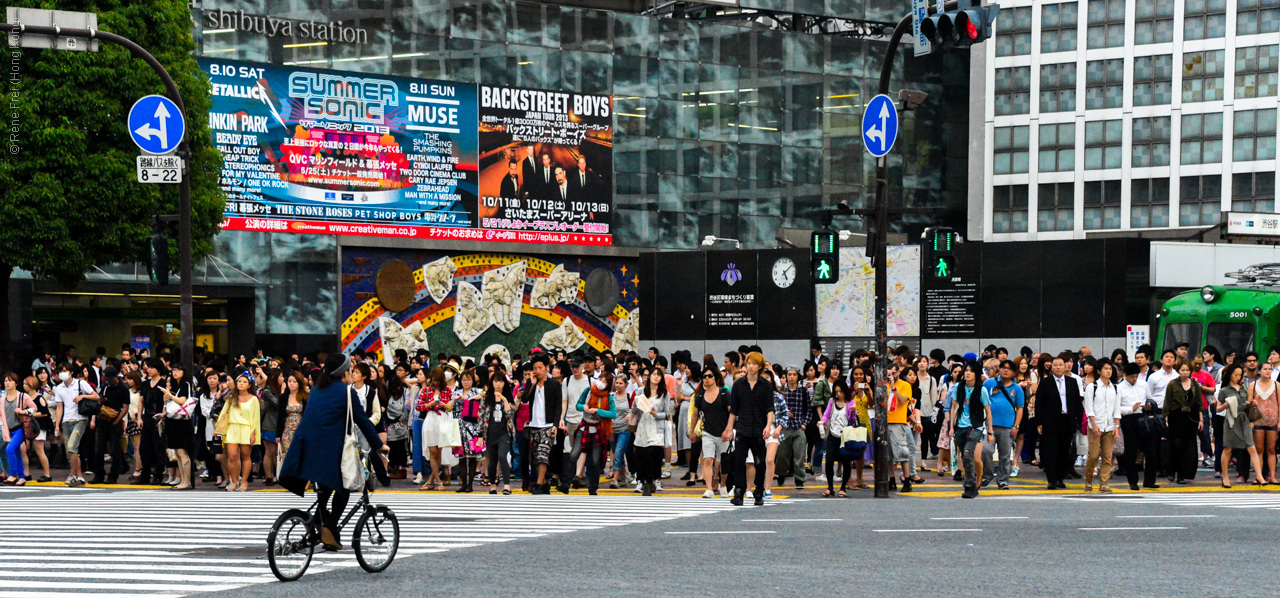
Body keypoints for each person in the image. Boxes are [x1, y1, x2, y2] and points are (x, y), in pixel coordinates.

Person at [278, 353, 388, 551]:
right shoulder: (347, 392)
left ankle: (321, 520)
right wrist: (379, 445)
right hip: (329, 448)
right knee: (344, 488)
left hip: (306, 447)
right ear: (344, 372)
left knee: (325, 485)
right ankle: (329, 526)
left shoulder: (317, 390)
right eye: (350, 369)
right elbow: (362, 421)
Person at [726, 352, 774, 506]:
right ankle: (739, 493)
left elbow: (770, 408)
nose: (751, 366)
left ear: (760, 366)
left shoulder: (766, 385)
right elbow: (734, 409)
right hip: (742, 428)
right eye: (749, 363)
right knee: (739, 461)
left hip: (759, 429)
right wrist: (728, 429)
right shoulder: (739, 385)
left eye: (754, 364)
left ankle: (758, 492)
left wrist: (768, 426)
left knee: (760, 463)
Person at [1033, 353, 1083, 490]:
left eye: (1061, 365)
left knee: (1064, 451)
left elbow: (1077, 403)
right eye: (1055, 365)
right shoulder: (1045, 382)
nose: (1058, 367)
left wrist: (1080, 421)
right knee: (1051, 451)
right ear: (1051, 367)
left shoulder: (1072, 382)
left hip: (1067, 420)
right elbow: (1039, 404)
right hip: (1051, 421)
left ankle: (1061, 478)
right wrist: (1039, 423)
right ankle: (1052, 480)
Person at [1216, 363, 1266, 488]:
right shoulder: (1224, 390)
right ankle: (1225, 477)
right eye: (1235, 375)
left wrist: (1251, 403)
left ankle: (1259, 475)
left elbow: (1244, 403)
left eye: (1239, 375)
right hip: (1232, 421)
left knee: (1251, 447)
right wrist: (1225, 406)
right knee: (1228, 448)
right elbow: (1217, 409)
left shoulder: (1243, 387)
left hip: (1244, 420)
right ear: (1229, 375)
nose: (1238, 377)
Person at [518, 354, 562, 494]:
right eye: (535, 368)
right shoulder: (532, 384)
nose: (537, 370)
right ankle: (544, 483)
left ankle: (538, 483)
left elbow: (558, 406)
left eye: (540, 368)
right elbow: (524, 399)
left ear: (547, 368)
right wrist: (531, 384)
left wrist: (555, 424)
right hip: (534, 425)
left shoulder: (554, 384)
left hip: (548, 425)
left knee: (543, 454)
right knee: (536, 456)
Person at [950, 361, 993, 498]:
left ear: (977, 374)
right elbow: (954, 407)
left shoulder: (982, 390)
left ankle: (970, 485)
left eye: (971, 371)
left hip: (976, 426)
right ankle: (971, 484)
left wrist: (990, 431)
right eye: (966, 370)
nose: (967, 373)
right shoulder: (959, 387)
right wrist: (951, 426)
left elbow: (988, 410)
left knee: (968, 453)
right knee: (964, 456)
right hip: (961, 426)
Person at [981, 360, 1024, 490]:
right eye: (1003, 368)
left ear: (1013, 373)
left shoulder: (1017, 389)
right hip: (990, 425)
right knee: (986, 450)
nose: (1006, 370)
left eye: (1009, 369)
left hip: (1007, 426)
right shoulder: (990, 383)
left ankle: (1003, 480)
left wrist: (1016, 425)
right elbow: (981, 399)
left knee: (1005, 454)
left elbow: (1020, 408)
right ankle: (987, 475)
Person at [690, 366, 731, 498]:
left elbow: (732, 413)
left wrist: (729, 429)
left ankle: (722, 484)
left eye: (710, 376)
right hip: (707, 432)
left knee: (723, 460)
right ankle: (709, 488)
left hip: (723, 432)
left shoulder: (724, 394)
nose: (707, 379)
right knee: (708, 459)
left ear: (716, 378)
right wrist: (692, 431)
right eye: (704, 377)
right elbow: (695, 415)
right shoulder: (700, 396)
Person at [218, 372, 262, 492]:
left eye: (244, 382)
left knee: (245, 456)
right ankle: (234, 481)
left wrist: (254, 433)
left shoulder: (253, 400)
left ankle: (244, 481)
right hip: (233, 427)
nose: (241, 384)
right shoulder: (231, 398)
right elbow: (223, 413)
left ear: (249, 385)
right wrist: (218, 429)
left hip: (247, 428)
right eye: (239, 381)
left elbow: (256, 418)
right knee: (232, 456)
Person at [1082, 360, 1121, 493]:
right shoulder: (1092, 387)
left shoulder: (1115, 388)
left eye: (1110, 369)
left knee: (1107, 456)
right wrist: (1093, 424)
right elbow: (1089, 408)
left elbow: (1117, 408)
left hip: (1109, 426)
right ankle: (1088, 481)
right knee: (1093, 455)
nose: (1108, 371)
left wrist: (1116, 426)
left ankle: (1104, 483)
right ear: (1099, 371)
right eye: (1105, 368)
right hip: (1095, 426)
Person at [576, 371, 616, 496]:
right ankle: (580, 477)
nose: (600, 383)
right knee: (582, 452)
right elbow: (578, 405)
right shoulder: (588, 391)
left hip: (600, 429)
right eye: (600, 379)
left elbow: (613, 414)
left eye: (604, 381)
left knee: (596, 460)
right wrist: (584, 407)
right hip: (586, 425)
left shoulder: (608, 397)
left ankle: (593, 487)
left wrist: (599, 411)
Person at [1162, 360, 1203, 484]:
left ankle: (1182, 474)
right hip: (1176, 416)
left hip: (1191, 417)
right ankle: (1171, 470)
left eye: (1187, 370)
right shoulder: (1172, 384)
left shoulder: (1195, 384)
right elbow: (1167, 402)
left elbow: (1199, 403)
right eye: (1182, 370)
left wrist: (1201, 419)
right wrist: (1166, 418)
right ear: (1178, 371)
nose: (1185, 373)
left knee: (1187, 446)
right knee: (1175, 445)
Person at [416, 367, 454, 491]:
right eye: (434, 380)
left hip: (442, 419)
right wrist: (429, 404)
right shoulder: (426, 391)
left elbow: (450, 407)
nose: (435, 383)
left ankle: (432, 481)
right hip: (430, 418)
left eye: (437, 380)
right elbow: (419, 407)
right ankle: (438, 481)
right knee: (432, 451)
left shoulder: (447, 390)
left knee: (439, 453)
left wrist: (445, 405)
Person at [633, 368, 669, 496]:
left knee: (652, 455)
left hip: (656, 426)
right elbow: (635, 408)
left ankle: (650, 482)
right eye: (654, 374)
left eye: (659, 375)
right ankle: (644, 481)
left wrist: (656, 414)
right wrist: (632, 414)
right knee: (641, 455)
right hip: (643, 426)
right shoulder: (641, 391)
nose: (656, 377)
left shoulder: (664, 393)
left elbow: (667, 413)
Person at [91, 366, 129, 485]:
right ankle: (99, 474)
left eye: (110, 379)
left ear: (116, 377)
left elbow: (125, 407)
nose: (108, 381)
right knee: (99, 449)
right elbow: (98, 400)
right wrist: (100, 401)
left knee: (115, 450)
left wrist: (117, 421)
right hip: (103, 420)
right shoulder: (105, 387)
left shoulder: (123, 389)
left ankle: (113, 475)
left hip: (115, 421)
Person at [775, 365, 810, 489]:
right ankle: (781, 473)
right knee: (783, 454)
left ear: (798, 377)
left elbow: (808, 410)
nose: (791, 377)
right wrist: (783, 414)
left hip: (798, 427)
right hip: (784, 427)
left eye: (794, 375)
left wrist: (804, 423)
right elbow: (776, 408)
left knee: (799, 455)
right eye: (789, 375)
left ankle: (799, 479)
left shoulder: (803, 391)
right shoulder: (781, 391)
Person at [1116, 363, 1151, 490]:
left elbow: (1149, 399)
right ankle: (1133, 481)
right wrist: (1131, 408)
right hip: (1128, 419)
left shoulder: (1143, 384)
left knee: (1150, 449)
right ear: (1125, 376)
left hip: (1143, 417)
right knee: (1131, 451)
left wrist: (1147, 405)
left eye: (1136, 376)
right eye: (1131, 377)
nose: (1134, 379)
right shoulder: (1119, 388)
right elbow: (1117, 408)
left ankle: (1149, 480)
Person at [481, 369, 516, 495]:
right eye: (496, 381)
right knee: (492, 460)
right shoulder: (486, 398)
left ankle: (507, 486)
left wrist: (504, 400)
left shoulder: (508, 397)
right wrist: (480, 435)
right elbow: (481, 416)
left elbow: (511, 413)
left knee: (502, 456)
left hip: (504, 432)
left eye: (501, 381)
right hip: (490, 432)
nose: (498, 384)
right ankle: (492, 485)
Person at [819, 382, 856, 498]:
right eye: (836, 392)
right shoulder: (832, 402)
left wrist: (854, 412)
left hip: (846, 436)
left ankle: (843, 487)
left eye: (840, 391)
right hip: (833, 434)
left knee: (846, 462)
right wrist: (822, 421)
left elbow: (853, 421)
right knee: (829, 460)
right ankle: (830, 487)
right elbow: (826, 414)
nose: (838, 394)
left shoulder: (850, 403)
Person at [163, 365, 196, 490]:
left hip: (182, 422)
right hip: (173, 421)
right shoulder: (175, 386)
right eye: (173, 370)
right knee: (177, 452)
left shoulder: (185, 384)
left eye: (178, 370)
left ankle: (186, 481)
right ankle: (182, 479)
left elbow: (182, 401)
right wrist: (166, 396)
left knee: (182, 451)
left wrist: (169, 395)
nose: (175, 372)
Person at [1, 374, 36, 486]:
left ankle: (13, 474)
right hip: (7, 429)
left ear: (16, 383)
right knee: (17, 452)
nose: (7, 383)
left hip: (20, 429)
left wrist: (24, 412)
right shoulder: (2, 399)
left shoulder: (22, 396)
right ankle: (22, 477)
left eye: (10, 381)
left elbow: (34, 408)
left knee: (9, 449)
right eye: (6, 381)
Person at [1248, 361, 1279, 483]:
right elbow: (1249, 403)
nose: (1268, 371)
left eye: (1270, 369)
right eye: (1265, 369)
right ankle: (1259, 476)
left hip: (1273, 420)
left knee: (1272, 449)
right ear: (1259, 371)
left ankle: (1272, 476)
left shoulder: (1277, 385)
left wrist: (1279, 421)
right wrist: (1251, 421)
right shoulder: (1253, 385)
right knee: (1258, 449)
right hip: (1258, 421)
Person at [454, 368, 483, 493]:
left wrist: (473, 398)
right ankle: (463, 483)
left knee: (472, 457)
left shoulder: (478, 391)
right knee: (461, 457)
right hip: (458, 427)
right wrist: (455, 400)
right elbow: (449, 407)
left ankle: (470, 484)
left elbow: (485, 394)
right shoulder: (456, 392)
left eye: (469, 379)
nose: (466, 382)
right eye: (464, 380)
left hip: (473, 427)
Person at [277, 371, 309, 477]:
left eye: (294, 381)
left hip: (300, 429)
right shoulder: (283, 397)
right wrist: (278, 434)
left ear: (299, 383)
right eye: (289, 381)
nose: (291, 383)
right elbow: (280, 416)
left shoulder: (305, 397)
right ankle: (290, 477)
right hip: (287, 429)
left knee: (300, 454)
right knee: (288, 454)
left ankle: (301, 476)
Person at [22, 376, 52, 482]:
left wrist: (30, 414)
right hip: (27, 427)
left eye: (26, 384)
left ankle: (47, 474)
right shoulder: (25, 398)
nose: (24, 386)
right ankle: (26, 473)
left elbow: (45, 413)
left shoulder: (39, 397)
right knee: (24, 449)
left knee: (39, 450)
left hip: (39, 427)